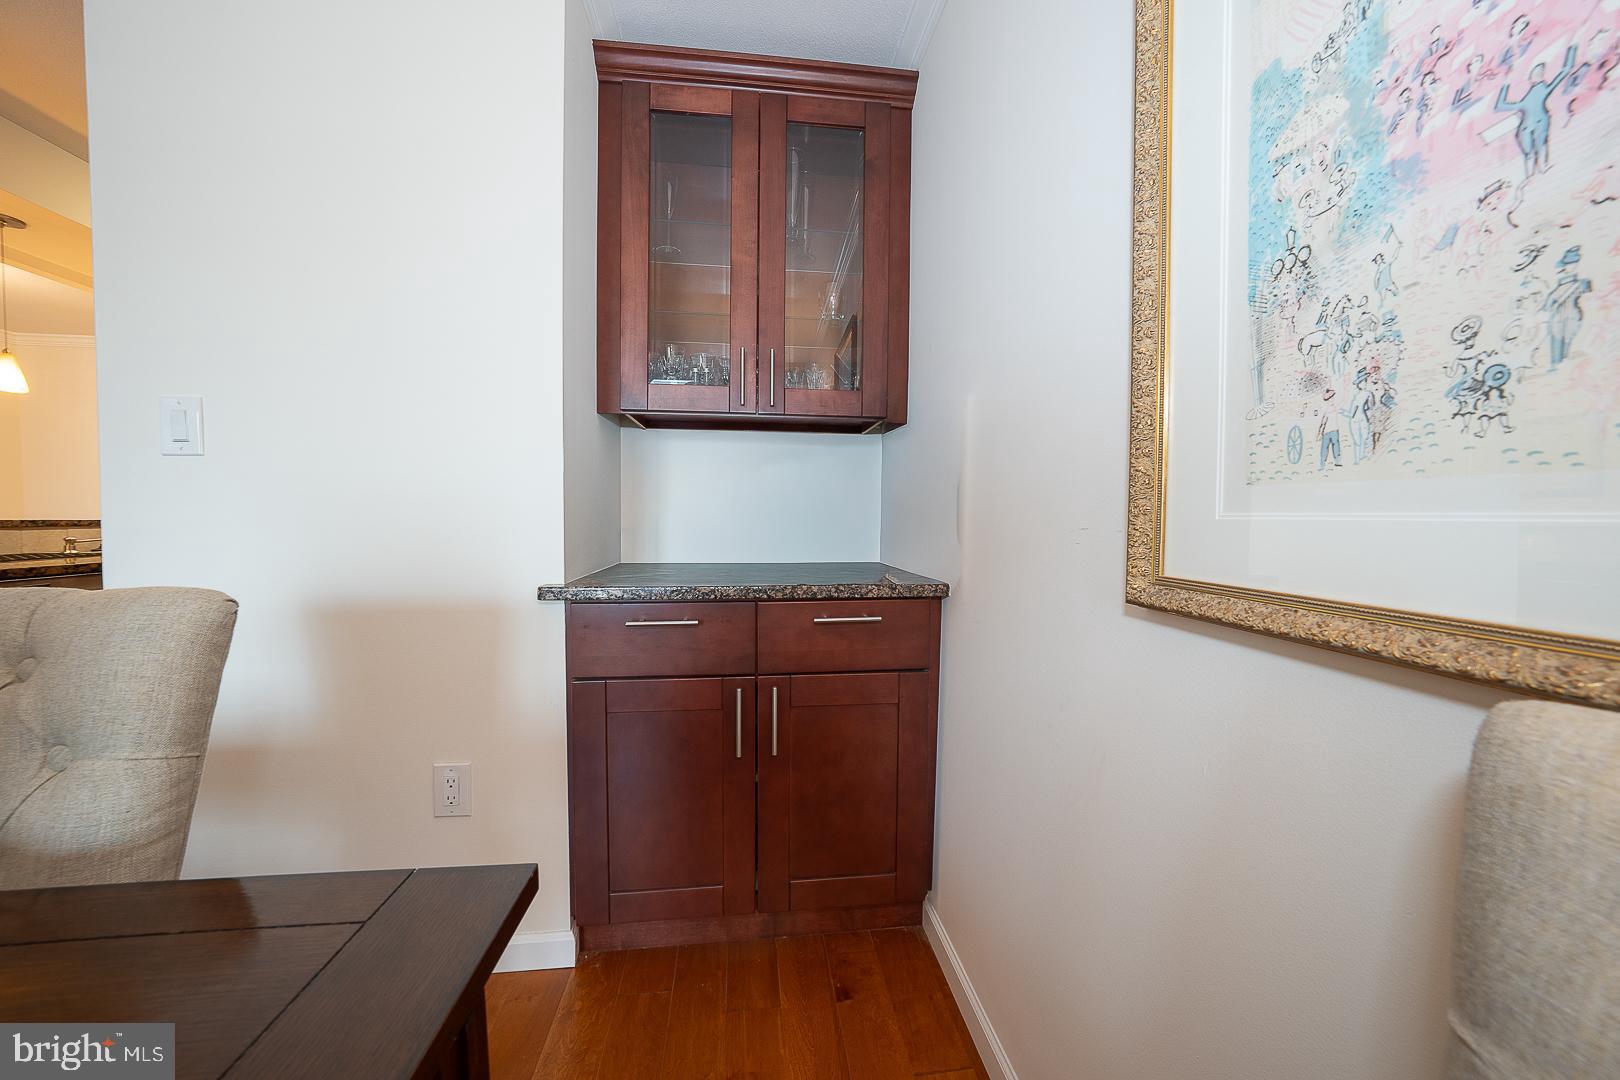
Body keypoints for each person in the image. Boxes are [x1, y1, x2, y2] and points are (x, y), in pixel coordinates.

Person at [1495, 46, 1579, 177]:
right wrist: (1506, 82)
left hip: (1536, 124)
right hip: (1529, 126)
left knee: (1539, 148)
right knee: (1532, 152)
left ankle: (1541, 168)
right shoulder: (1529, 97)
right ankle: (1535, 172)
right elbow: (1500, 105)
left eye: (1539, 73)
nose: (1536, 76)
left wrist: (1573, 47)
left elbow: (1566, 69)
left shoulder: (1541, 91)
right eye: (1535, 73)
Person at [1544, 246, 1592, 368]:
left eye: (1573, 263)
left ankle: (1562, 363)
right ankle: (1555, 363)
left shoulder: (1581, 283)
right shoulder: (1560, 286)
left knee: (1567, 339)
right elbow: (1549, 302)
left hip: (1573, 314)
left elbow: (1590, 299)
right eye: (1568, 263)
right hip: (1558, 316)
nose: (1571, 266)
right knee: (1556, 338)